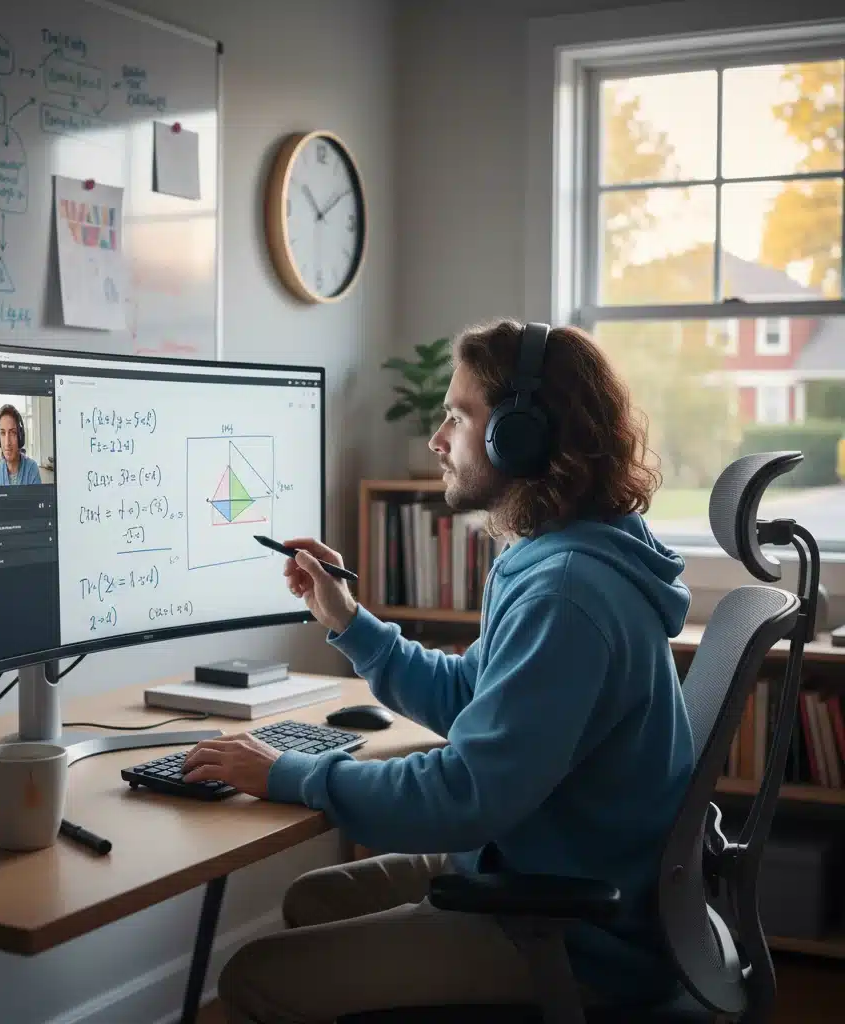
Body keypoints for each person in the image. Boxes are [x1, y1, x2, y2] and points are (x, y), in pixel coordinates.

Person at [181, 319, 695, 1023]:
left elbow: (464, 794)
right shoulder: (563, 556)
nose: (437, 438)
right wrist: (348, 620)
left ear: (521, 434)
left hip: (578, 936)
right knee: (311, 898)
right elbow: (468, 697)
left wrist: (284, 773)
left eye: (457, 416)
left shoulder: (566, 592)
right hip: (547, 877)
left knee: (252, 977)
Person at [0, 404, 41, 486]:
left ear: (20, 436)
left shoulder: (32, 469)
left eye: (13, 433)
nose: (7, 442)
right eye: (3, 433)